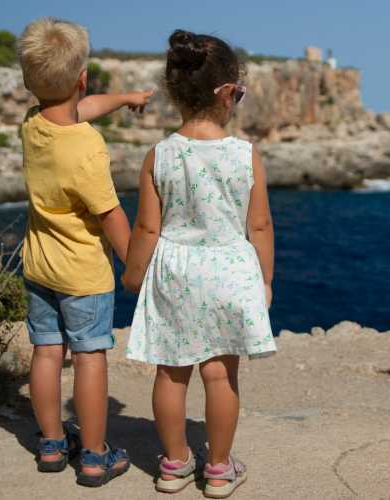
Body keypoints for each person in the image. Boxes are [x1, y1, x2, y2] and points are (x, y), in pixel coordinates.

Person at [121, 29, 277, 498]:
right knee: (220, 374)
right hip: (229, 270)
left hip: (175, 270)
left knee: (171, 372)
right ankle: (219, 469)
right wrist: (265, 282)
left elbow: (147, 228)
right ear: (229, 93)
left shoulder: (159, 155)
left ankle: (174, 464)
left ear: (174, 92)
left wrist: (132, 274)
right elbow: (262, 226)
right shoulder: (245, 154)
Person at [16, 17, 152, 487]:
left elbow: (78, 108)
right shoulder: (86, 147)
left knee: (47, 351)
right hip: (84, 277)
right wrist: (138, 269)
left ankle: (52, 444)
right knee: (90, 357)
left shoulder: (32, 125)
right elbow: (111, 215)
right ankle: (95, 456)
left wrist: (125, 99)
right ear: (82, 77)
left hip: (39, 269)